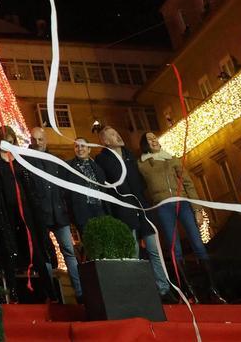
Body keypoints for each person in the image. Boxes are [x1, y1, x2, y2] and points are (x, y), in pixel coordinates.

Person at [138, 132, 222, 301]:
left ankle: (213, 290)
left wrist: (197, 209)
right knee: (175, 249)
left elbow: (188, 183)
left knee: (198, 244)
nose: (154, 140)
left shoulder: (171, 158)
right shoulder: (142, 164)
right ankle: (188, 292)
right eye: (150, 139)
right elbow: (141, 187)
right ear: (145, 144)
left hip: (182, 203)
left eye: (155, 137)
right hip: (162, 207)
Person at [93, 127, 172, 298]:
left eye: (117, 132)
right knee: (132, 253)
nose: (118, 135)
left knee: (154, 250)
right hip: (123, 210)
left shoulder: (130, 156)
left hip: (142, 207)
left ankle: (163, 289)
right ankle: (138, 292)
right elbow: (105, 188)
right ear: (105, 141)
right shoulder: (102, 160)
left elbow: (141, 180)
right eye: (113, 134)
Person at [25, 127, 83, 302]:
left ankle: (79, 292)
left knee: (68, 252)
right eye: (34, 140)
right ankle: (51, 293)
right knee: (45, 255)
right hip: (40, 216)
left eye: (40, 139)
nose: (37, 143)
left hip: (59, 214)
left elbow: (64, 186)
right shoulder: (25, 160)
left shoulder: (55, 160)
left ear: (45, 140)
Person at [0, 126, 32, 302]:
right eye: (5, 141)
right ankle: (11, 288)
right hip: (1, 208)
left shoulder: (18, 157)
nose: (8, 144)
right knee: (7, 245)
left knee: (23, 243)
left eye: (11, 142)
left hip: (20, 207)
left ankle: (29, 286)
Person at [66, 139, 109, 235]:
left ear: (89, 149)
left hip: (100, 210)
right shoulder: (68, 167)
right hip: (82, 212)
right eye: (76, 146)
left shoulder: (98, 167)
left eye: (83, 146)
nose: (80, 149)